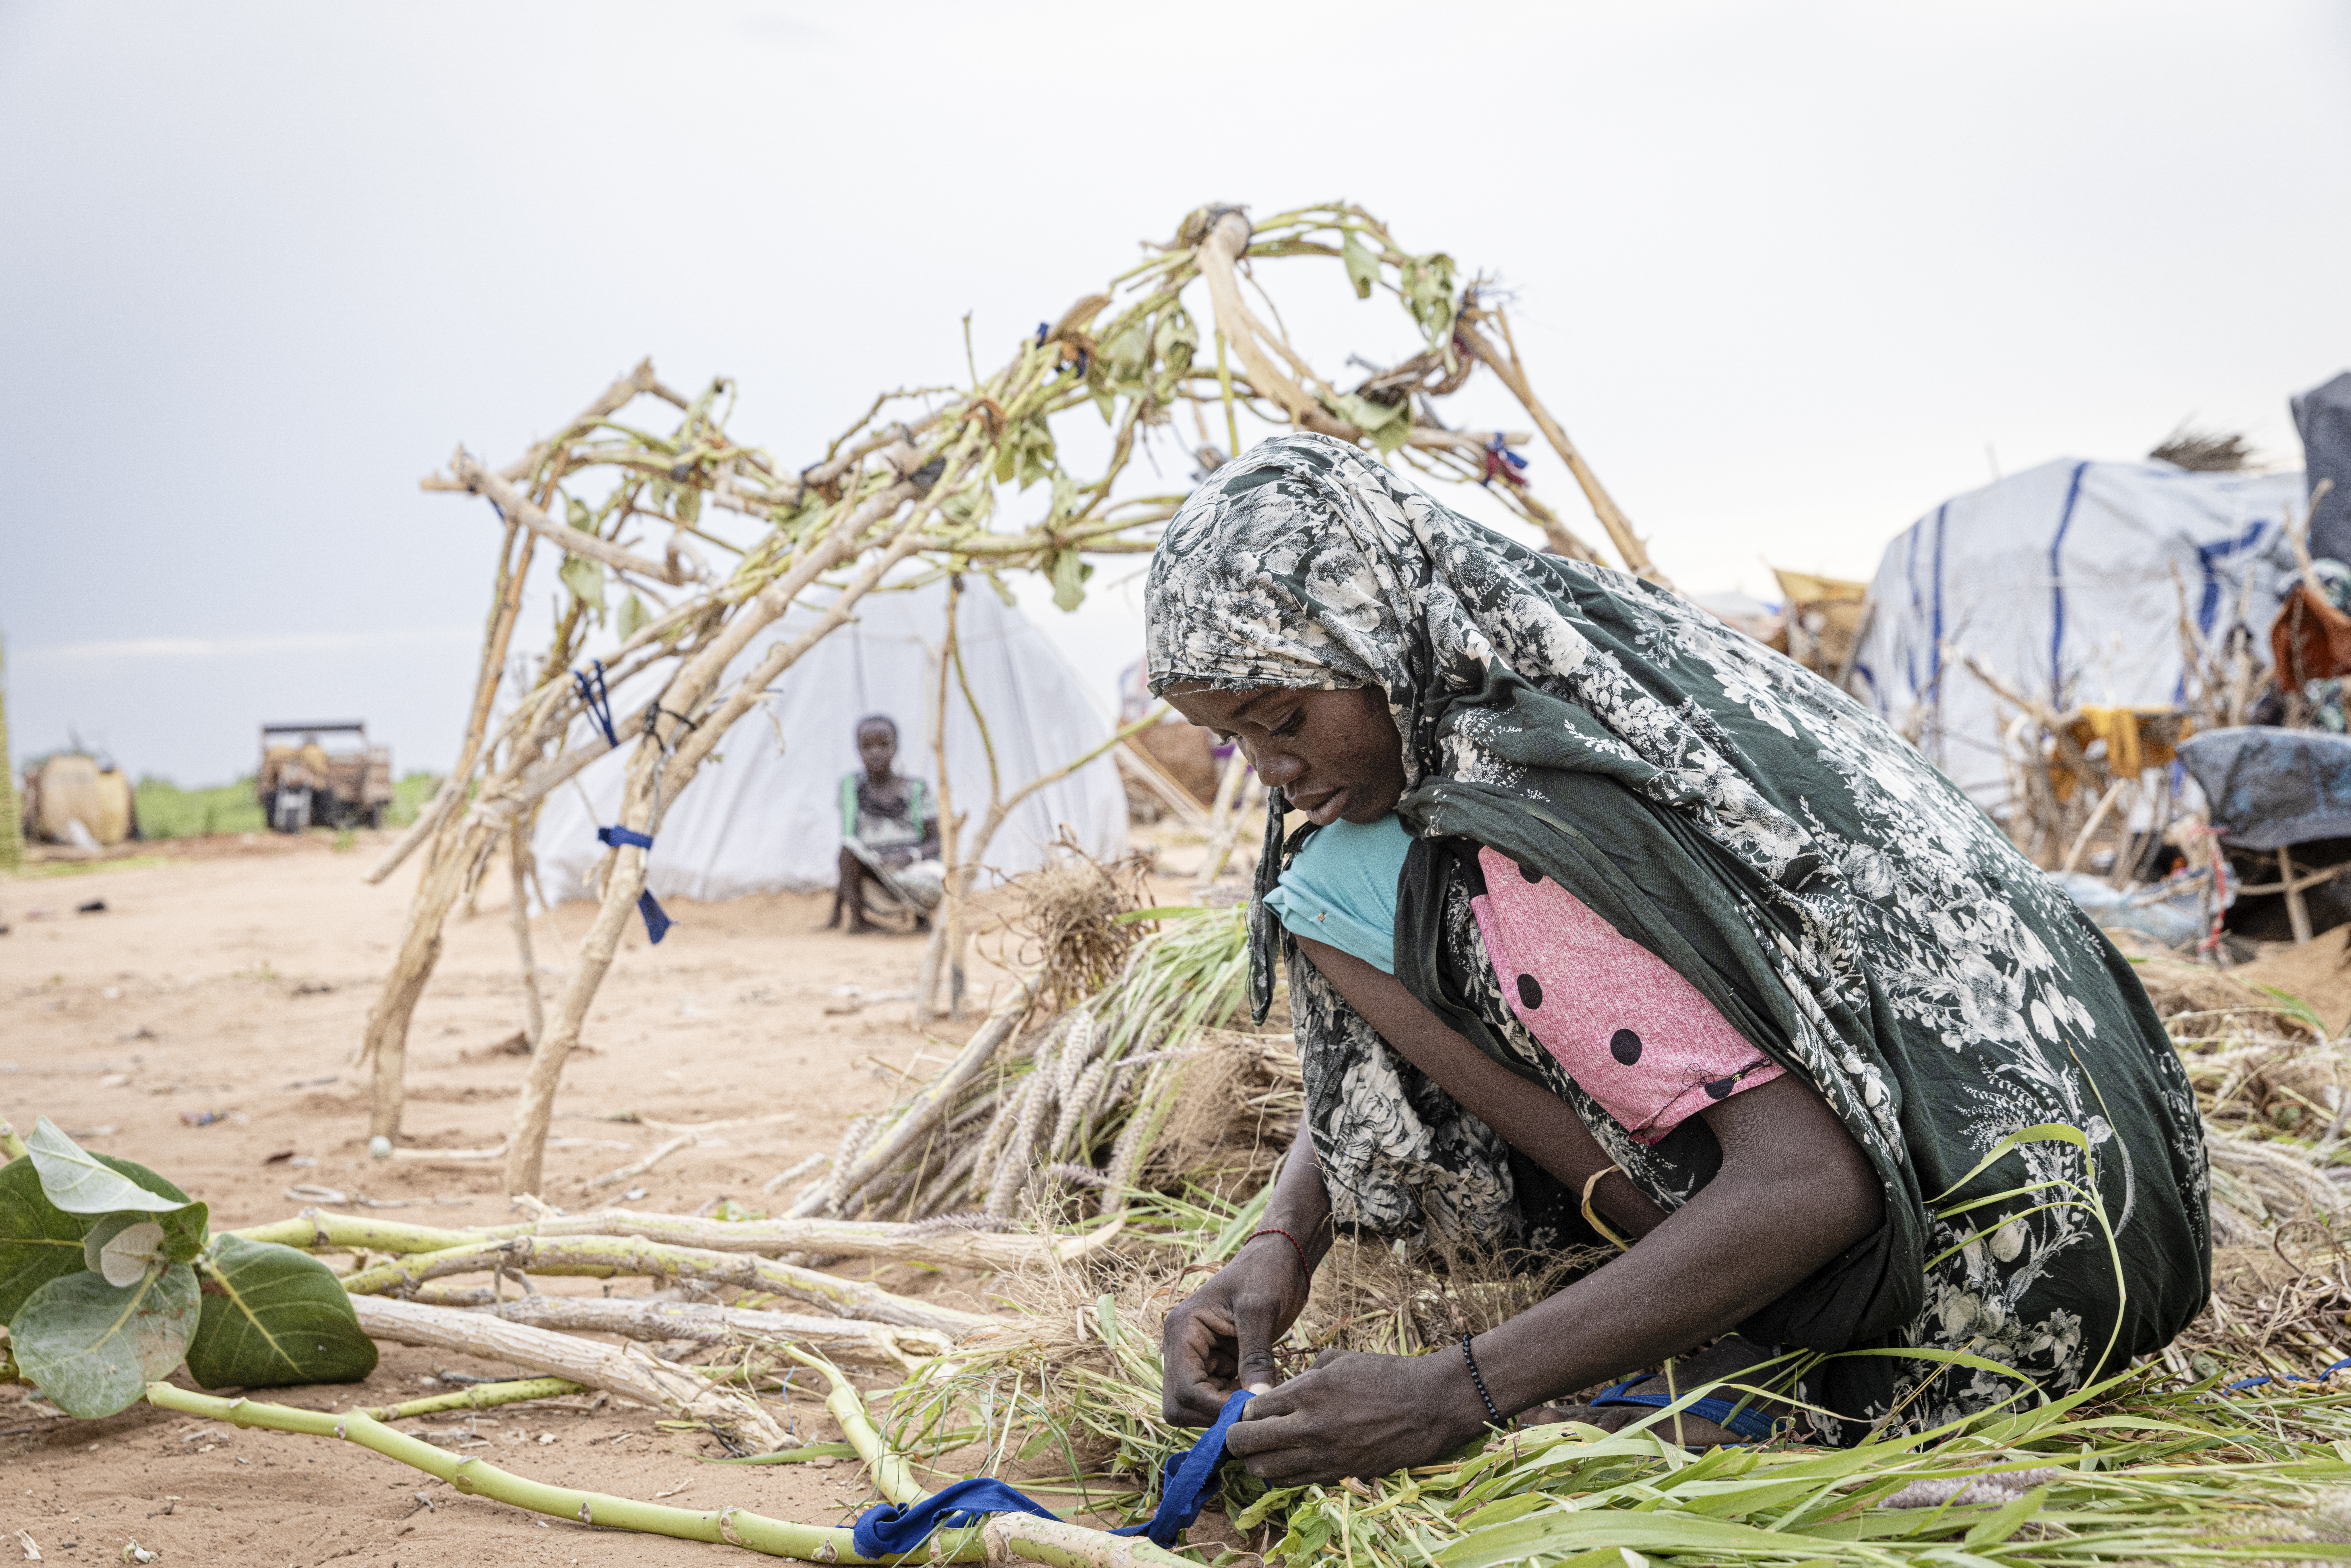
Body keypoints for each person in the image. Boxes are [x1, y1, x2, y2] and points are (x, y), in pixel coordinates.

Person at [1148, 434, 2208, 1481]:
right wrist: (1281, 1237)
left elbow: (1809, 1185)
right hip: (2122, 1223)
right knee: (1337, 883)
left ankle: (1765, 1332)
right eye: (1237, 741)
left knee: (1330, 893)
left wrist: (1450, 1392)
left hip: (1979, 1313)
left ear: (1379, 640)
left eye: (1283, 717)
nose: (1277, 775)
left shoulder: (1517, 829)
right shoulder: (1611, 677)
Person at [828, 714, 944, 934]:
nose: (875, 752)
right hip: (875, 872)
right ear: (858, 749)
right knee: (848, 846)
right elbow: (847, 853)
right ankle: (858, 921)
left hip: (913, 869)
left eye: (883, 745)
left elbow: (937, 842)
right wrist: (836, 912)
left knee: (931, 874)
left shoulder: (917, 789)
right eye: (867, 746)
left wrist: (908, 858)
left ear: (896, 747)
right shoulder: (851, 788)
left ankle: (922, 918)